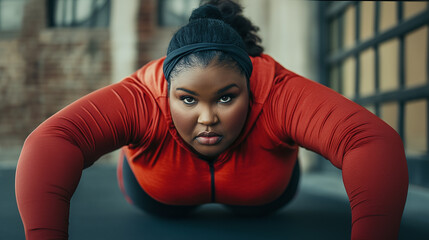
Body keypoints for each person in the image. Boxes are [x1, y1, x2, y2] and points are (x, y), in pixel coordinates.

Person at [15, 0, 408, 239]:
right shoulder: (142, 97)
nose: (207, 118)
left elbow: (370, 141)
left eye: (226, 97)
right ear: (168, 89)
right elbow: (53, 142)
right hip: (156, 197)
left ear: (248, 85)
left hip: (265, 200)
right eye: (187, 99)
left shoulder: (278, 92)